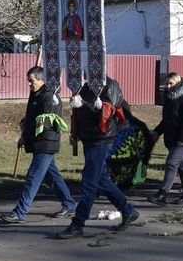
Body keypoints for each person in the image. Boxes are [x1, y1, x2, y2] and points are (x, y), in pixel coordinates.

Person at [57, 77, 138, 239]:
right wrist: (76, 134)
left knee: (89, 182)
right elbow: (80, 113)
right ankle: (128, 210)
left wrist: (83, 103)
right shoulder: (83, 85)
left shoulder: (109, 85)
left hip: (102, 139)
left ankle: (77, 224)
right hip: (89, 138)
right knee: (101, 179)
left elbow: (108, 111)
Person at [0, 66, 76, 223]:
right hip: (38, 142)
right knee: (51, 176)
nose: (29, 84)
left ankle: (20, 212)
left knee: (32, 177)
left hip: (46, 143)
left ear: (42, 79)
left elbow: (46, 121)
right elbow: (31, 117)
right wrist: (24, 134)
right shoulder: (36, 94)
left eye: (31, 81)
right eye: (28, 81)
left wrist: (29, 133)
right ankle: (69, 204)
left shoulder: (50, 96)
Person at [147, 73, 183, 205]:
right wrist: (156, 133)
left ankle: (163, 193)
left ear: (178, 83)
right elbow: (167, 120)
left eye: (171, 84)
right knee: (182, 165)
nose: (168, 86)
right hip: (172, 138)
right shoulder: (169, 98)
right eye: (166, 84)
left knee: (171, 163)